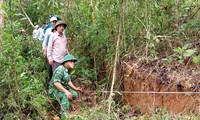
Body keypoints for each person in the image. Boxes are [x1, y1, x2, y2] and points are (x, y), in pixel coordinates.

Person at [48, 54, 82, 119]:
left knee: (74, 95)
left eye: (73, 62)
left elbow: (68, 81)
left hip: (61, 89)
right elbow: (56, 83)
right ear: (66, 62)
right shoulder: (60, 69)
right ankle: (64, 116)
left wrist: (75, 88)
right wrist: (66, 92)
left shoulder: (67, 70)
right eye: (71, 61)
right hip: (54, 91)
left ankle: (62, 105)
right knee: (65, 96)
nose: (73, 63)